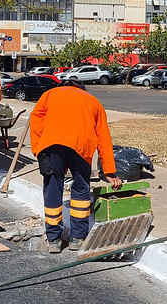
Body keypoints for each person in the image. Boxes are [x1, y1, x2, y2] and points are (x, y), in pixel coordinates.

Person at [30, 79, 122, 253]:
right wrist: (109, 171)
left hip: (52, 145)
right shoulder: (92, 101)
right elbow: (103, 137)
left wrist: (38, 150)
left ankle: (54, 240)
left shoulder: (49, 95)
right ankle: (78, 238)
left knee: (53, 189)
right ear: (82, 89)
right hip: (81, 147)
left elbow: (36, 121)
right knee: (80, 188)